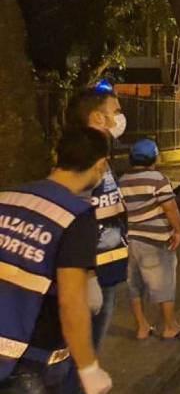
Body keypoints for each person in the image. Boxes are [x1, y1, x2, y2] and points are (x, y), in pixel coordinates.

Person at [0, 127, 114, 394]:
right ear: (100, 165)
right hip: (30, 361)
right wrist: (89, 369)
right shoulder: (75, 216)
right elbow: (72, 302)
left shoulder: (7, 198)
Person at [68, 87, 129, 349]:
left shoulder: (99, 157)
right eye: (116, 111)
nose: (120, 118)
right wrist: (88, 275)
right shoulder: (83, 160)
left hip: (106, 270)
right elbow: (75, 218)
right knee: (82, 355)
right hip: (91, 275)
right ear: (97, 118)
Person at [119, 139, 180, 342]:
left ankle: (142, 326)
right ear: (154, 158)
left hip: (131, 240)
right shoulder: (157, 179)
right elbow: (170, 208)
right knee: (164, 282)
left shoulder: (122, 180)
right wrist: (177, 231)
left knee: (134, 284)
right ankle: (170, 326)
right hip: (155, 240)